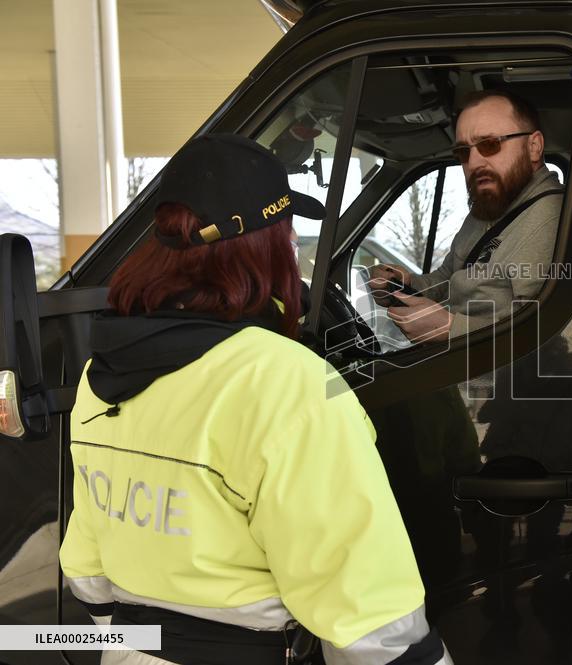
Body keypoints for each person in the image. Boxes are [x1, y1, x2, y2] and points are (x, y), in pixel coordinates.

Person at [59, 134, 452, 665]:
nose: (293, 251)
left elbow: (86, 571)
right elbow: (368, 617)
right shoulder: (287, 382)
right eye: (288, 236)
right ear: (260, 247)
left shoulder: (98, 374)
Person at [367, 89, 564, 342]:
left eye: (490, 144)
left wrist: (450, 329)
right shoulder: (490, 206)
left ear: (534, 146)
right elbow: (450, 277)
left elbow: (545, 337)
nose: (474, 162)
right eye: (463, 152)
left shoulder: (550, 220)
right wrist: (406, 284)